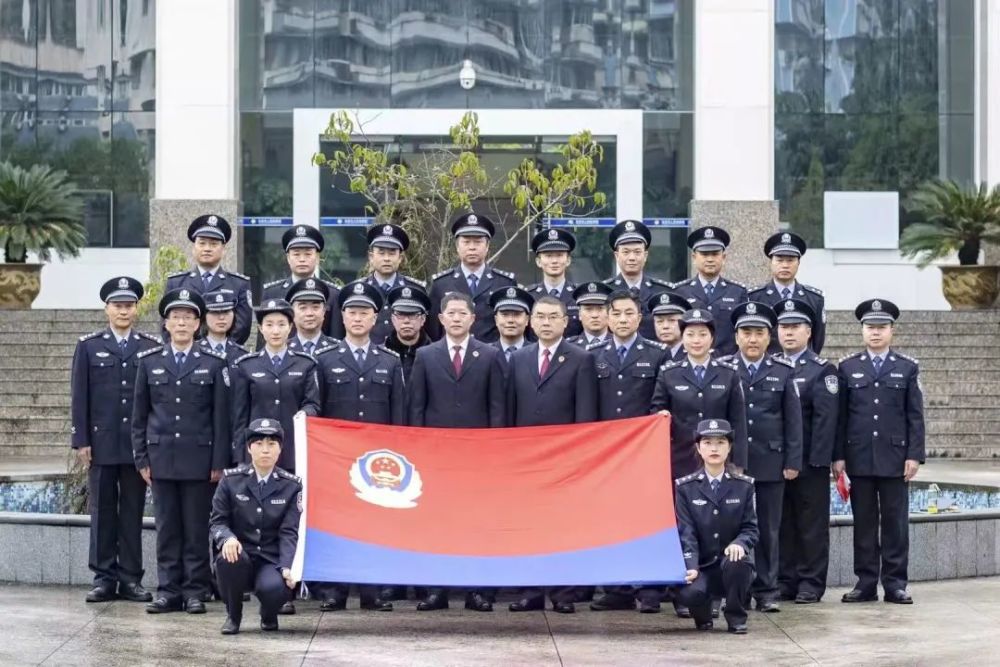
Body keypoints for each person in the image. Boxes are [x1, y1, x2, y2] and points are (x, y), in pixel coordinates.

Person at [132, 288, 232, 614]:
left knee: (195, 529)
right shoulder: (149, 363)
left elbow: (220, 418)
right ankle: (168, 590)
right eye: (176, 317)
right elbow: (139, 417)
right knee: (167, 529)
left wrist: (218, 462)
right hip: (161, 459)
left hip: (199, 460)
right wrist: (141, 458)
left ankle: (194, 591)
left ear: (198, 324)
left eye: (188, 317)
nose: (182, 323)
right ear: (166, 322)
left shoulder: (213, 364)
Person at [408, 291, 507, 612]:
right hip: (436, 456)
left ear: (472, 319)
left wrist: (494, 450)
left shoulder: (490, 355)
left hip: (478, 457)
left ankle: (477, 590)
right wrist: (419, 450)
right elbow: (417, 409)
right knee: (437, 523)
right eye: (450, 313)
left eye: (462, 313)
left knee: (477, 522)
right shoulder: (426, 355)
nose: (456, 318)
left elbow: (497, 408)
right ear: (440, 318)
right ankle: (436, 590)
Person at [312, 281, 406, 612]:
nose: (357, 318)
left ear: (375, 318)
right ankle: (334, 590)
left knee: (375, 524)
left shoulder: (389, 361)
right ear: (342, 315)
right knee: (337, 524)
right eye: (352, 311)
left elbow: (399, 416)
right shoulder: (325, 360)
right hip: (337, 458)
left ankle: (373, 590)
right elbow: (316, 408)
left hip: (378, 461)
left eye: (364, 312)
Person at [71, 276, 160, 604]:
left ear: (136, 309)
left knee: (133, 511)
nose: (123, 310)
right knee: (103, 511)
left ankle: (131, 578)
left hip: (137, 447)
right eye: (117, 305)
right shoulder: (89, 346)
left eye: (129, 305)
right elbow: (79, 396)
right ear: (107, 309)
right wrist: (81, 440)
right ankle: (103, 577)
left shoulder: (150, 346)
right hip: (102, 443)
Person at [507, 296, 599, 614]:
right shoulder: (518, 359)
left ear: (565, 321)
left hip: (565, 459)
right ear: (531, 322)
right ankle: (531, 591)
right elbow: (510, 410)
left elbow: (586, 414)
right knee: (529, 525)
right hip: (526, 460)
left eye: (553, 317)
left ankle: (563, 592)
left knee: (563, 526)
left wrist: (580, 457)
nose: (546, 322)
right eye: (540, 317)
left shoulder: (580, 358)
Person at [833, 299, 924, 605]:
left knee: (896, 523)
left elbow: (914, 415)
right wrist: (839, 456)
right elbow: (841, 416)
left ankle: (896, 583)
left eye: (881, 328)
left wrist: (914, 455)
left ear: (891, 331)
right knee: (865, 522)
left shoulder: (907, 368)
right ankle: (866, 582)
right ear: (862, 331)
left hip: (895, 458)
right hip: (858, 456)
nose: (875, 333)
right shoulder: (848, 368)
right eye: (870, 327)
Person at [587, 290, 669, 613]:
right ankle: (617, 588)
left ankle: (648, 588)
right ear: (607, 318)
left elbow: (659, 402)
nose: (622, 319)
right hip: (605, 455)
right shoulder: (592, 354)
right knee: (609, 519)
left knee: (645, 520)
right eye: (616, 313)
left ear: (639, 318)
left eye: (628, 314)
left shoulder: (657, 354)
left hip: (642, 453)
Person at [721, 302, 802, 613]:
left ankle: (767, 590)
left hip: (770, 463)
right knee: (730, 530)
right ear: (736, 336)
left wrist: (793, 461)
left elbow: (793, 420)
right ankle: (733, 591)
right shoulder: (726, 368)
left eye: (758, 333)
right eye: (746, 333)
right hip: (732, 464)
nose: (752, 339)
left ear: (769, 337)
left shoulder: (782, 371)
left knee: (768, 529)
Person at [210, 418, 301, 635]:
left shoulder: (291, 485)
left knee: (274, 588)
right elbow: (218, 521)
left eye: (271, 444)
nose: (265, 450)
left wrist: (288, 566)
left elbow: (289, 531)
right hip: (241, 555)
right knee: (228, 558)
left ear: (280, 449)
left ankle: (268, 614)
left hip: (271, 559)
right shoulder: (231, 481)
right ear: (249, 448)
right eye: (259, 444)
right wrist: (227, 538)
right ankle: (233, 615)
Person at [775, 299, 839, 604]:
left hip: (809, 463)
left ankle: (811, 582)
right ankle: (786, 580)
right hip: (779, 460)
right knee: (784, 523)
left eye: (795, 327)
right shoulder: (773, 366)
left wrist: (817, 462)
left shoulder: (821, 370)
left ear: (809, 331)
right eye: (784, 327)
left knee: (811, 525)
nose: (788, 333)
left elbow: (826, 421)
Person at [674, 419, 759, 635]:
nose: (714, 448)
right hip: (701, 565)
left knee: (738, 561)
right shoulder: (685, 488)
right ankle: (702, 615)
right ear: (698, 448)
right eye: (708, 442)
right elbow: (686, 532)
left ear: (729, 447)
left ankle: (736, 617)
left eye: (721, 442)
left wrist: (740, 543)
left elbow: (751, 528)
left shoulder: (744, 486)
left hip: (729, 566)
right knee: (689, 593)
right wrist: (691, 565)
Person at [651, 309, 748, 481]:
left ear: (712, 338)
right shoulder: (668, 374)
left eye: (703, 334)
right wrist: (660, 415)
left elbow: (738, 421)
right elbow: (656, 412)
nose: (696, 340)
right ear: (682, 338)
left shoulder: (729, 374)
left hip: (720, 460)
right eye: (690, 334)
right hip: (680, 459)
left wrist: (738, 463)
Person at [232, 298, 320, 475]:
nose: (275, 331)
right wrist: (241, 457)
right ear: (260, 329)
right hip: (257, 450)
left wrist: (305, 412)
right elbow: (240, 415)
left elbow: (313, 404)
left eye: (281, 324)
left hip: (293, 449)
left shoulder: (305, 364)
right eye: (269, 325)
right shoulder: (246, 366)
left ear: (290, 327)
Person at [427, 213, 516, 342]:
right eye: (466, 242)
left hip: (492, 357)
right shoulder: (441, 284)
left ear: (487, 247)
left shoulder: (504, 282)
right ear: (457, 247)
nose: (472, 247)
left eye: (478, 242)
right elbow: (433, 329)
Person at [165, 214, 253, 344]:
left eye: (213, 244)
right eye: (202, 243)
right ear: (193, 248)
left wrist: (217, 349)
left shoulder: (238, 284)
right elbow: (166, 324)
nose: (207, 248)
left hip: (225, 357)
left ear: (223, 250)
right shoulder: (176, 282)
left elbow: (243, 326)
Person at [672, 226, 748, 357]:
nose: (710, 259)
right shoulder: (680, 291)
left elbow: (742, 331)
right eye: (705, 254)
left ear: (723, 257)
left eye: (715, 254)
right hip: (689, 362)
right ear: (694, 257)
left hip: (727, 363)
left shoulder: (737, 292)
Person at [260, 224, 344, 342]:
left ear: (318, 257)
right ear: (288, 258)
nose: (302, 259)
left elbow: (337, 338)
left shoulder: (333, 294)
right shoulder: (272, 293)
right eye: (296, 254)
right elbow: (264, 341)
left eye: (308, 254)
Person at [748, 232, 826, 354]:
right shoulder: (754, 297)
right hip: (767, 367)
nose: (785, 265)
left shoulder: (814, 298)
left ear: (798, 263)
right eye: (779, 260)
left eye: (790, 260)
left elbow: (818, 339)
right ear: (771, 262)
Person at [603, 220, 671, 339]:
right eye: (626, 252)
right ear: (616, 256)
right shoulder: (605, 291)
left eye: (637, 252)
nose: (632, 258)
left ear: (645, 256)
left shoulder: (662, 291)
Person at [362, 223, 426, 344]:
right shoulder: (361, 290)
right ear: (371, 256)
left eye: (392, 253)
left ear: (400, 258)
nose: (386, 258)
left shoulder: (415, 289)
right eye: (381, 253)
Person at [524, 228, 581, 337]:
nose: (554, 261)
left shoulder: (579, 296)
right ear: (538, 261)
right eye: (548, 256)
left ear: (568, 260)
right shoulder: (529, 296)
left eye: (559, 255)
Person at [382, 284, 432, 383]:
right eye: (400, 315)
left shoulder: (435, 356)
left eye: (412, 315)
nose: (406, 321)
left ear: (423, 319)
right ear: (393, 319)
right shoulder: (380, 355)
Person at [285, 278, 341, 356]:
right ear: (292, 312)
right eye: (303, 308)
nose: (309, 313)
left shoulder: (338, 350)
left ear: (324, 311)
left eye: (315, 307)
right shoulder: (282, 350)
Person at [199, 290, 249, 365]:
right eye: (215, 312)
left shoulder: (243, 355)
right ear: (204, 316)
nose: (221, 317)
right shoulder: (193, 351)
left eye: (226, 312)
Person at [490, 285, 534, 363]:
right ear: (496, 319)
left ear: (527, 319)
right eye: (505, 314)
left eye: (517, 314)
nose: (510, 320)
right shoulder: (485, 354)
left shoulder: (538, 354)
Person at [565, 281, 613, 346]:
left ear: (609, 313)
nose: (595, 315)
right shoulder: (568, 346)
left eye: (600, 308)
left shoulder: (620, 345)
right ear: (579, 314)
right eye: (588, 309)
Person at [648, 291, 690, 362]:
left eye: (672, 320)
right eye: (660, 321)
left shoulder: (694, 353)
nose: (665, 326)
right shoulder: (647, 354)